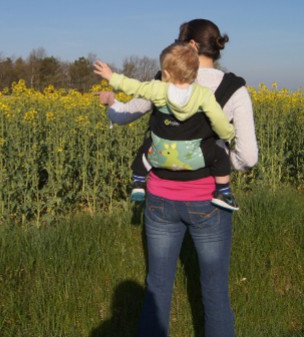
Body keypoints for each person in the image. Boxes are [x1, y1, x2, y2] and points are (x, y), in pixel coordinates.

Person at [97, 19, 258, 337]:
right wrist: (223, 165)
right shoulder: (234, 89)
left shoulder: (163, 82)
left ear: (193, 47)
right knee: (214, 290)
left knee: (156, 286)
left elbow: (124, 113)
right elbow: (249, 156)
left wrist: (111, 103)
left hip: (160, 200)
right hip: (209, 200)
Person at [93, 42, 239, 210]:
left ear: (167, 73)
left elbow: (135, 88)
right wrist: (227, 135)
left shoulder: (158, 89)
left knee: (146, 147)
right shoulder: (203, 94)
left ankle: (139, 182)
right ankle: (223, 192)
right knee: (220, 153)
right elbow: (218, 120)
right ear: (194, 72)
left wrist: (112, 77)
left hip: (160, 155)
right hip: (196, 157)